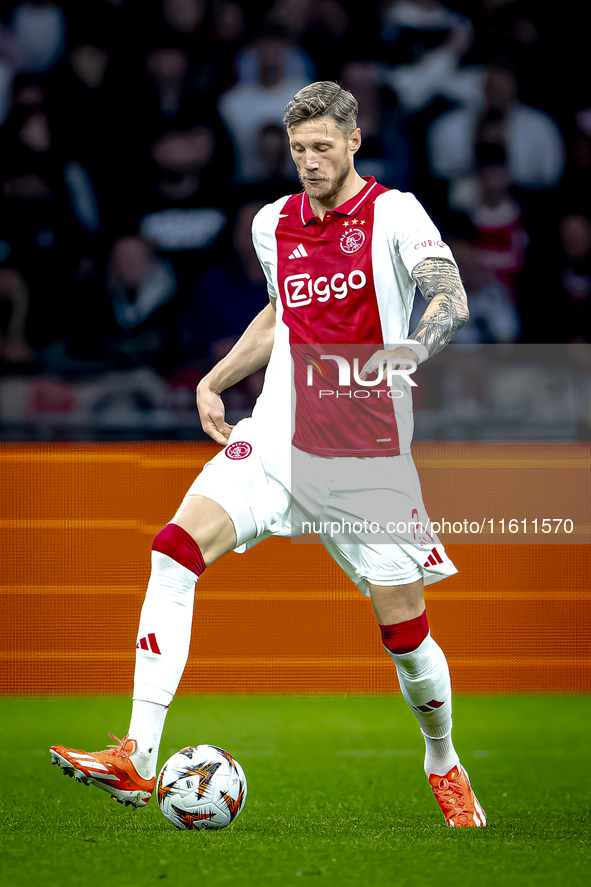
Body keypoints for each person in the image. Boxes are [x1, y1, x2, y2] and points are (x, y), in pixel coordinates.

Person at [50, 81, 486, 828]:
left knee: (403, 633)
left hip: (365, 458)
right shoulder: (272, 223)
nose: (309, 162)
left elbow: (448, 297)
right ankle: (137, 754)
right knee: (173, 548)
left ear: (353, 141)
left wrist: (407, 347)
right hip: (278, 434)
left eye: (322, 147)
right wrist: (218, 378)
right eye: (297, 150)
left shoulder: (394, 212)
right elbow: (281, 311)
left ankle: (441, 759)